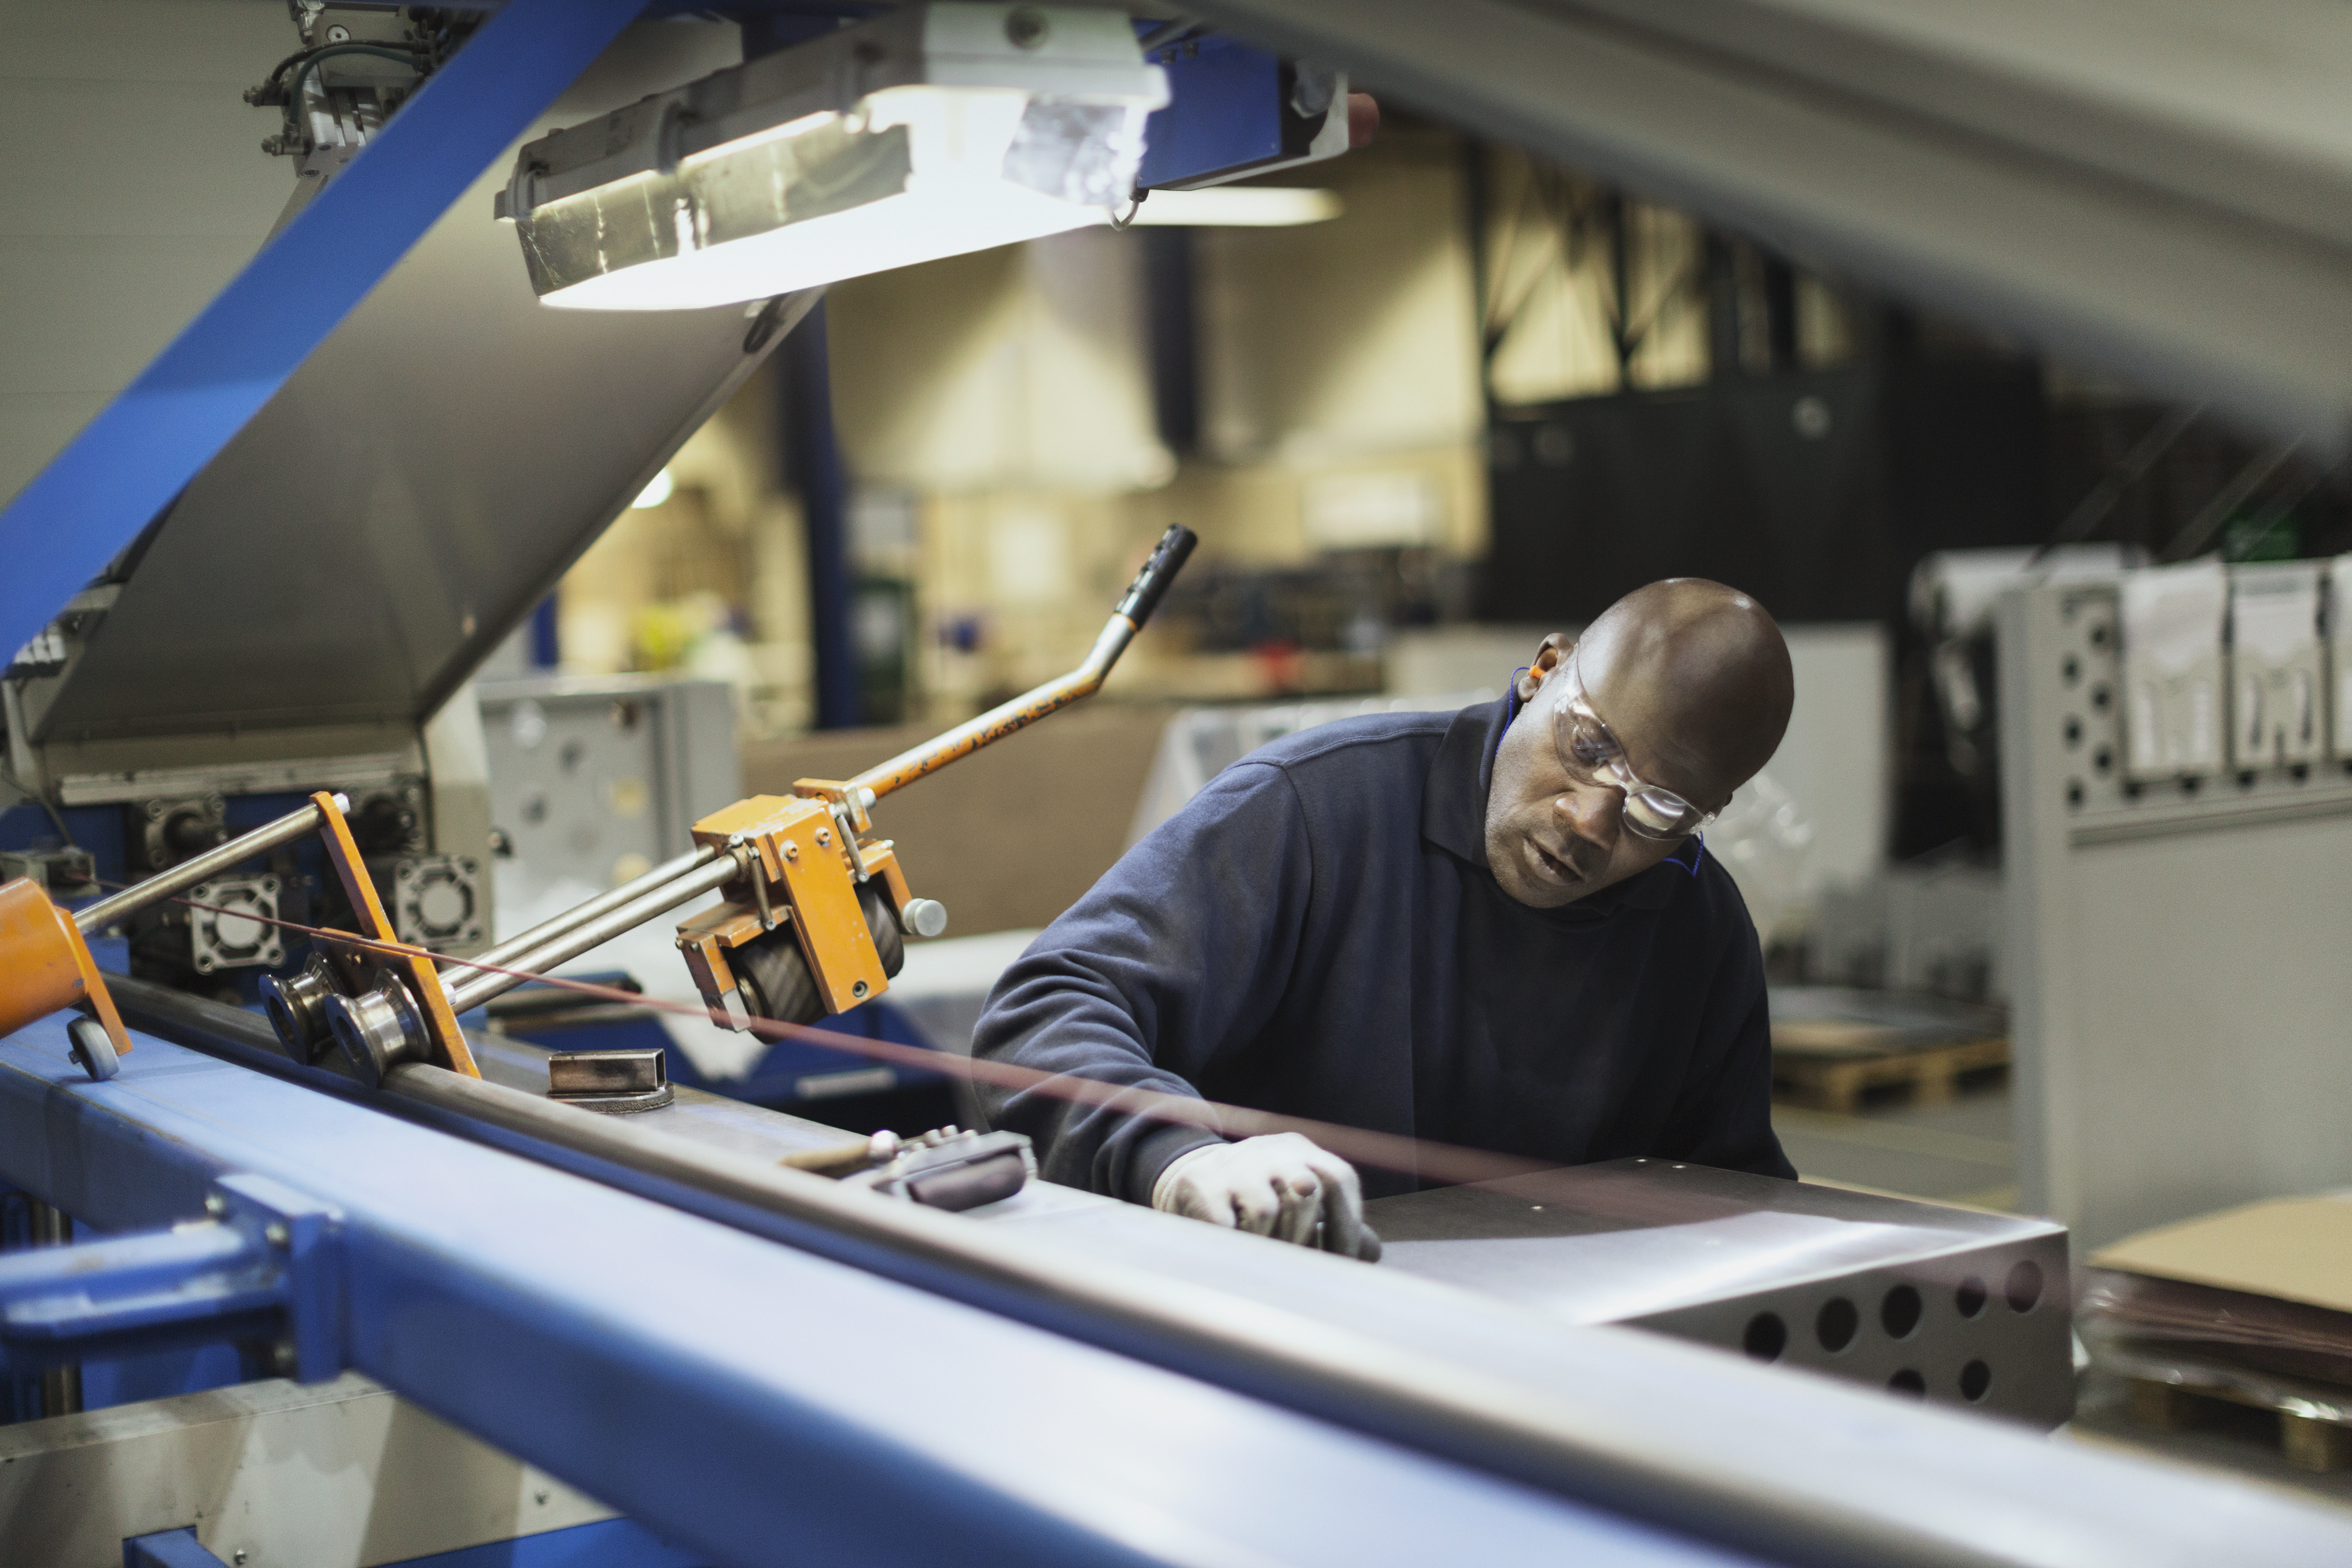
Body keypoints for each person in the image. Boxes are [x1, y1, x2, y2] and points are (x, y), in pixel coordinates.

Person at [970, 578, 1797, 1258]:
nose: (1589, 820)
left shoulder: (1697, 929)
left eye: (1656, 809)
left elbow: (1731, 1202)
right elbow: (1046, 1007)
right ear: (1543, 672)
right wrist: (1175, 1156)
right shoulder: (1312, 811)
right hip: (1267, 1328)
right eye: (1587, 748)